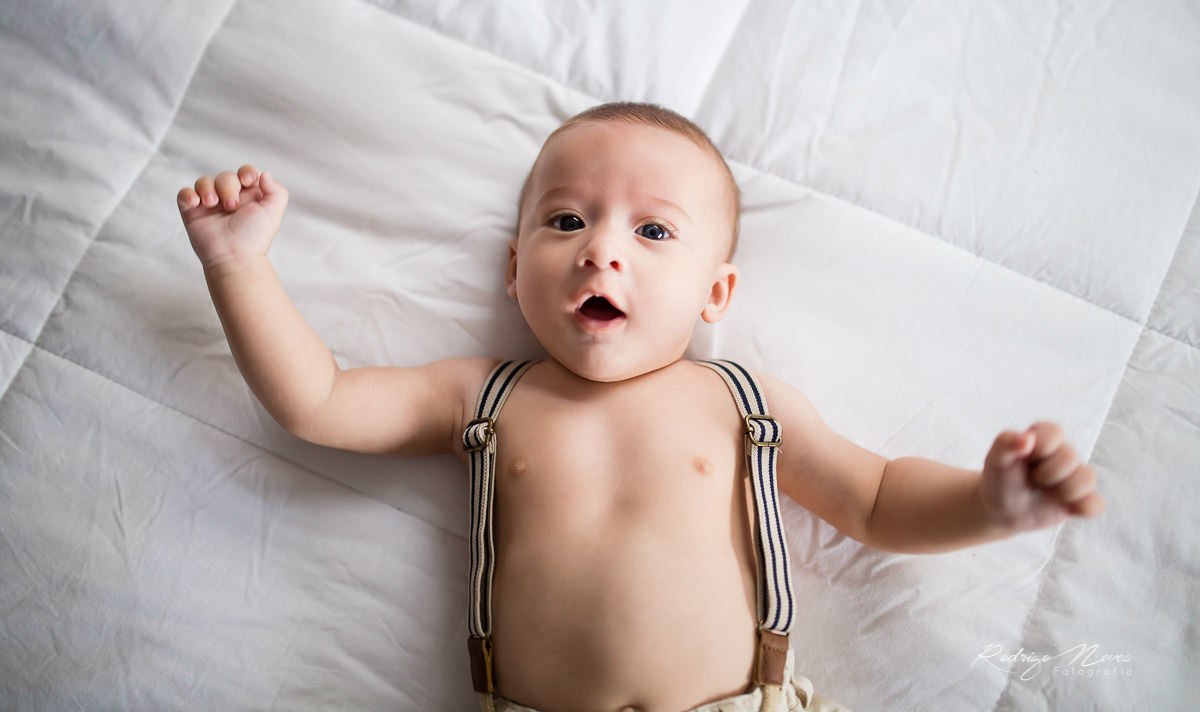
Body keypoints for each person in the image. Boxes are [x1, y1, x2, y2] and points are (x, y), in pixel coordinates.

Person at [176, 102, 1104, 712]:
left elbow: (876, 498)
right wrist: (238, 264)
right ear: (513, 270)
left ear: (715, 293)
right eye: (566, 220)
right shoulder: (481, 395)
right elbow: (319, 402)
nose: (600, 250)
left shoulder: (742, 403)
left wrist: (988, 504)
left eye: (653, 230)